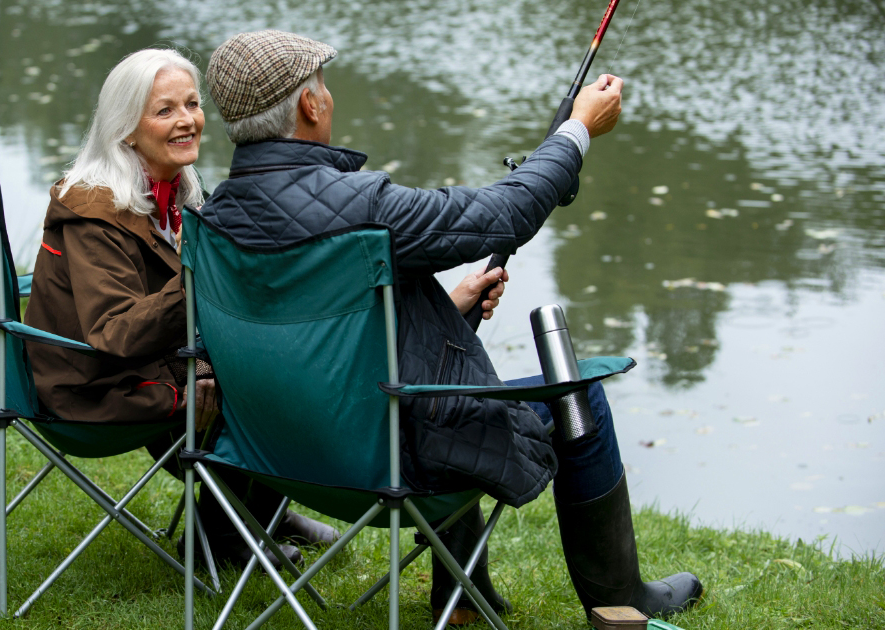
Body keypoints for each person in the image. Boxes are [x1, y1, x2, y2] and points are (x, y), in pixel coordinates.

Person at [199, 30, 704, 625]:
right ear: (310, 105)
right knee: (578, 398)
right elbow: (503, 213)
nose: (329, 98)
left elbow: (322, 346)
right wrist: (576, 131)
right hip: (389, 467)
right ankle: (623, 601)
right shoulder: (365, 208)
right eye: (324, 87)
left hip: (275, 459)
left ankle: (463, 594)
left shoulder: (215, 218)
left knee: (447, 392)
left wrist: (448, 307)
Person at [22, 47, 337, 568]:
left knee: (281, 362)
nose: (187, 120)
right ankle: (222, 537)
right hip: (92, 386)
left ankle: (256, 513)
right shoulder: (96, 211)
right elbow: (117, 333)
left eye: (192, 104)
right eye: (164, 110)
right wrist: (203, 271)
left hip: (142, 363)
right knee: (267, 391)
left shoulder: (173, 191)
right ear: (126, 129)